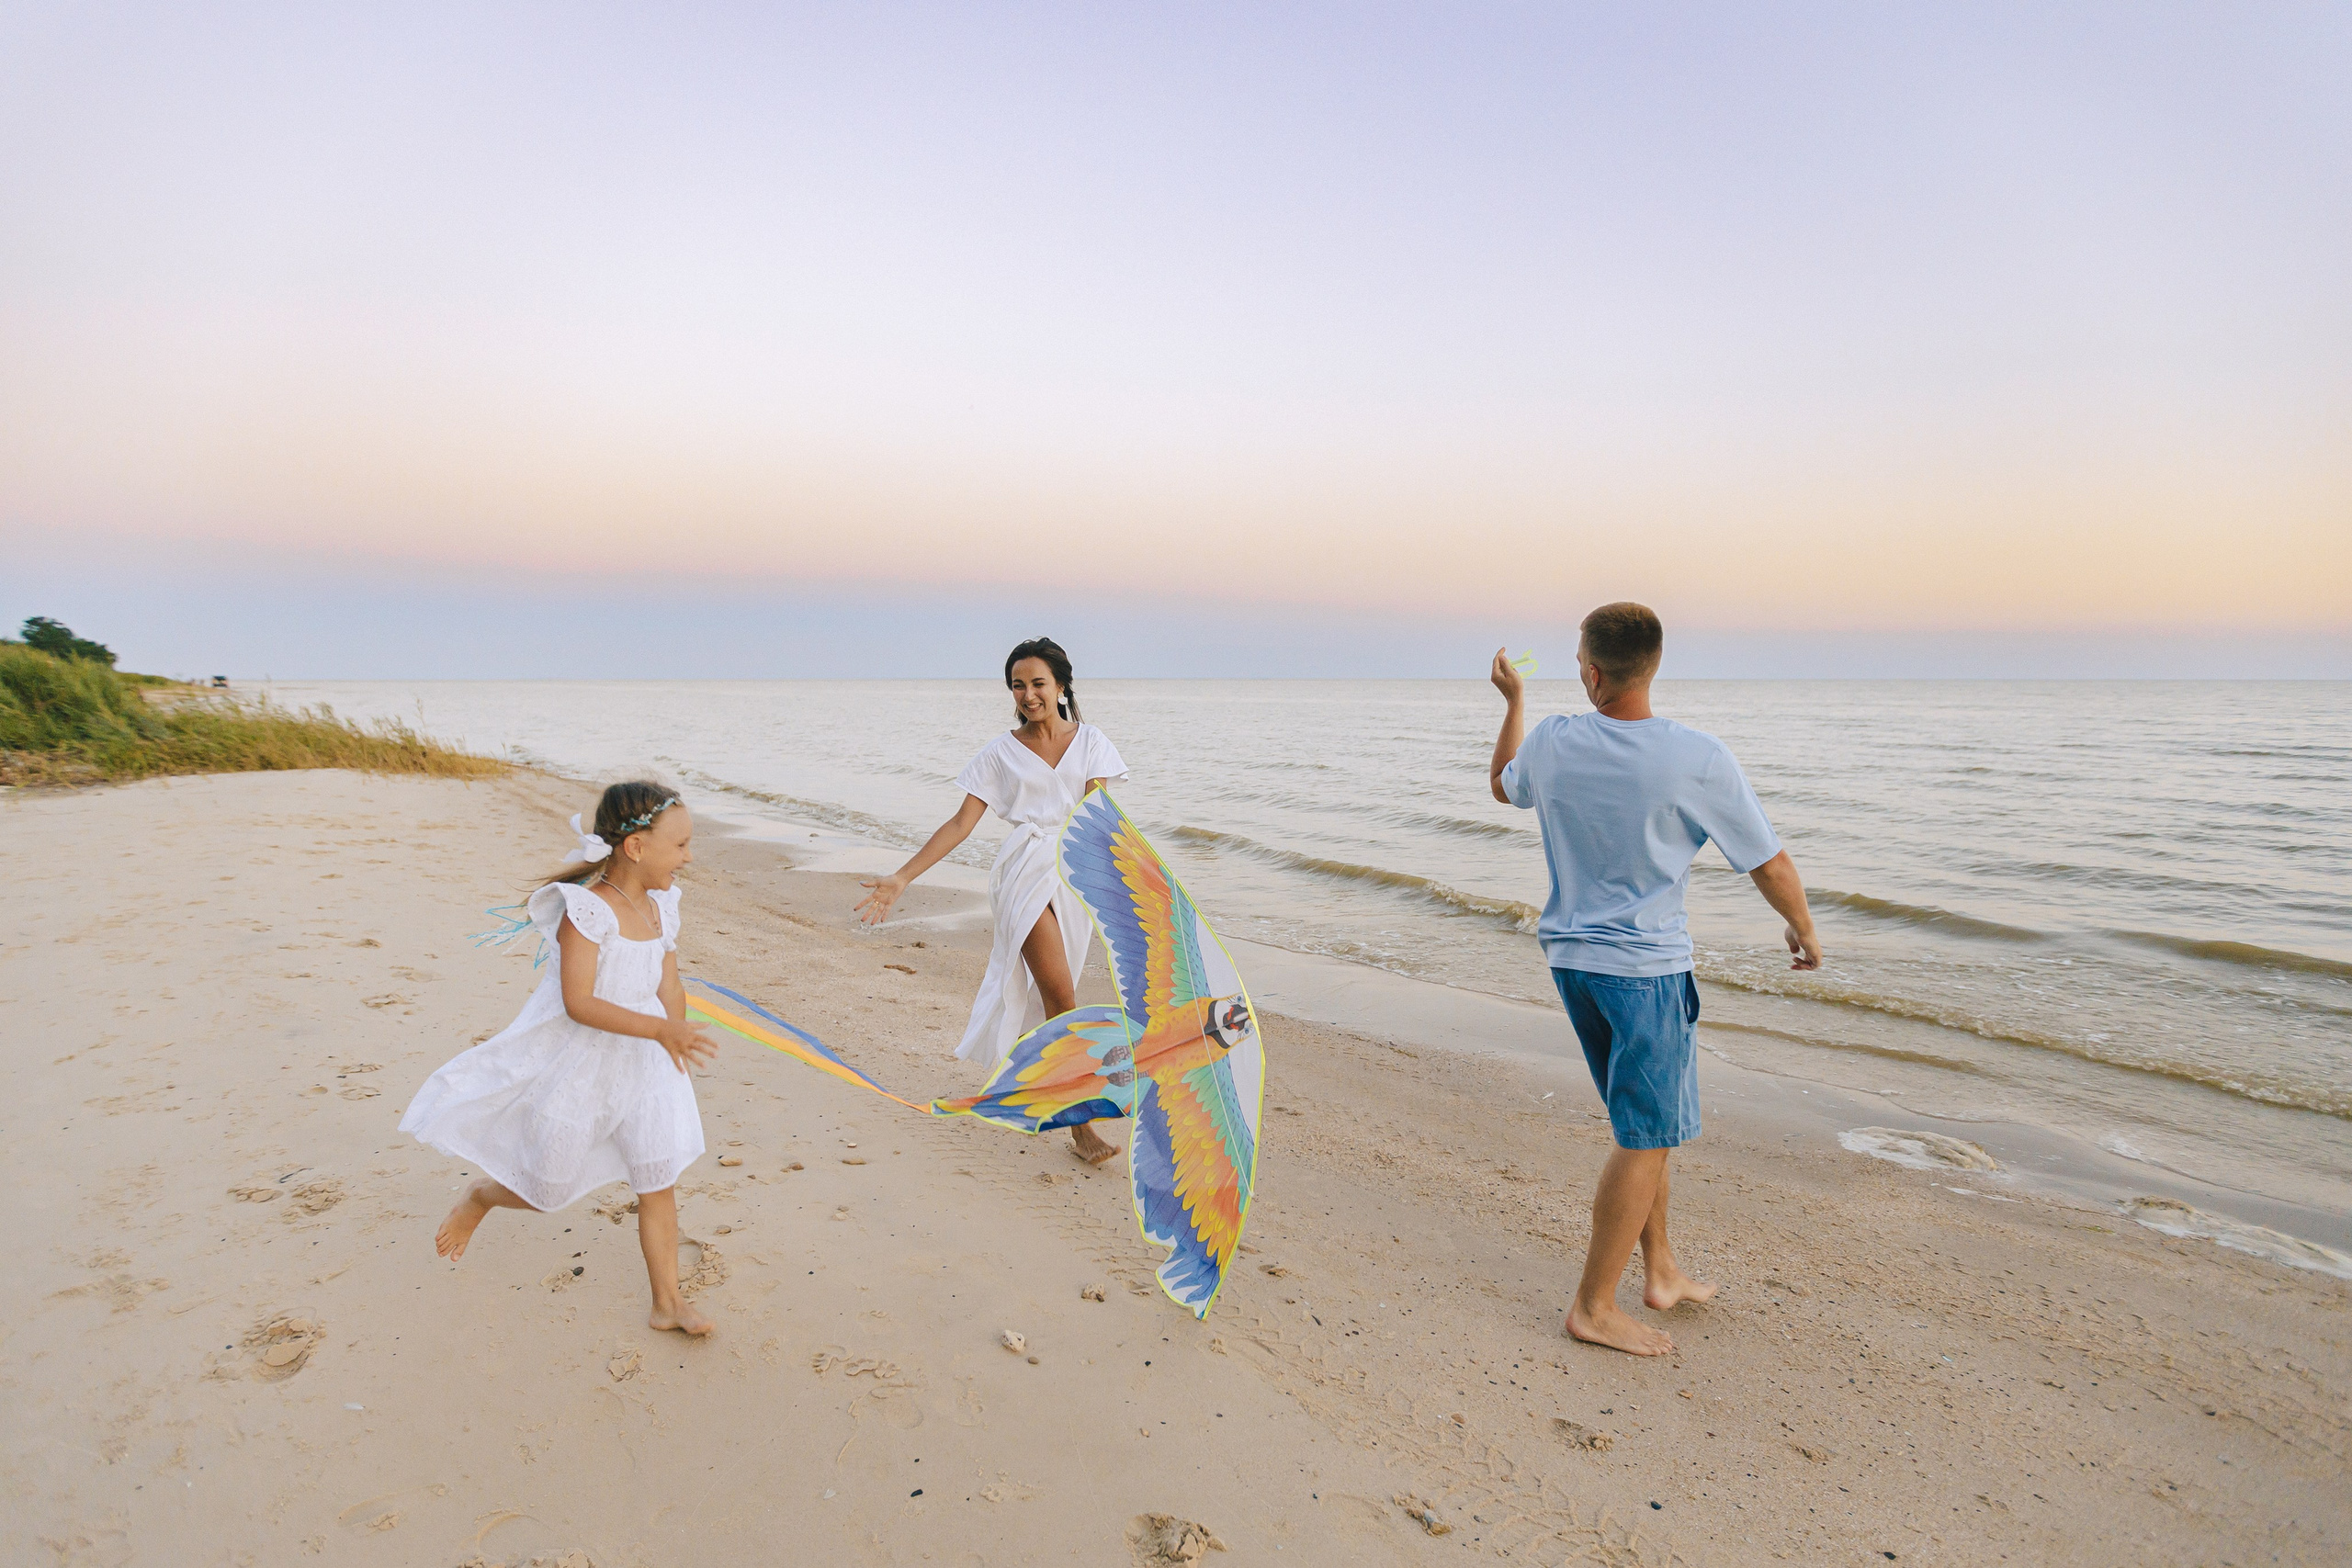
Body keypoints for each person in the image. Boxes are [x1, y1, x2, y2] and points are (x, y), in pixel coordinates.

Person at [1488, 603, 1822, 1357]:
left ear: (1595, 672)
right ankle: (1592, 1306)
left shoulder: (1552, 740)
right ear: (1653, 666)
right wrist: (1804, 927)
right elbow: (1768, 860)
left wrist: (1514, 703)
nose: (1577, 670)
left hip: (1574, 963)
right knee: (1646, 1136)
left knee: (1647, 1126)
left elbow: (1502, 787)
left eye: (1578, 660)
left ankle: (1661, 1271)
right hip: (1643, 971)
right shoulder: (1694, 757)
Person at [401, 781, 722, 1337]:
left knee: (658, 1179)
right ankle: (481, 1196)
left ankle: (667, 1303)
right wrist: (659, 1029)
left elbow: (668, 981)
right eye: (681, 845)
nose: (690, 857)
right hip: (586, 1067)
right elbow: (579, 1003)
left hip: (646, 1067)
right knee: (548, 1187)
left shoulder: (662, 908)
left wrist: (676, 1038)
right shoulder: (588, 912)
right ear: (637, 848)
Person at [855, 637, 1129, 1165]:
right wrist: (903, 877)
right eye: (1018, 686)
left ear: (1062, 686)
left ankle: (1040, 1085)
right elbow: (961, 823)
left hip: (1075, 875)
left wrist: (1133, 887)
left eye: (1038, 684)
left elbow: (1102, 820)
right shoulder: (1000, 753)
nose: (1028, 695)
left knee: (1060, 997)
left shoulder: (1091, 741)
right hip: (1024, 872)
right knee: (1061, 996)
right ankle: (1080, 1125)